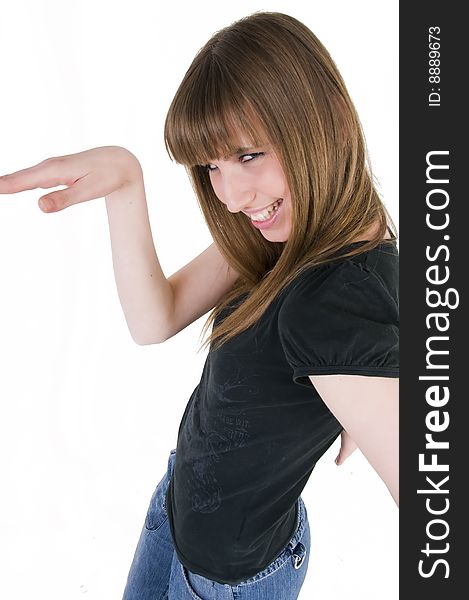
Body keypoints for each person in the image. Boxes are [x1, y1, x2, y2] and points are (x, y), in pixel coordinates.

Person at [0, 10, 398, 600]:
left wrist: (365, 380)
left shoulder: (333, 304)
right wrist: (124, 184)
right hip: (174, 514)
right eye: (212, 166)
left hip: (228, 582)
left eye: (249, 155)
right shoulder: (287, 236)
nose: (233, 196)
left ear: (328, 122)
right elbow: (153, 320)